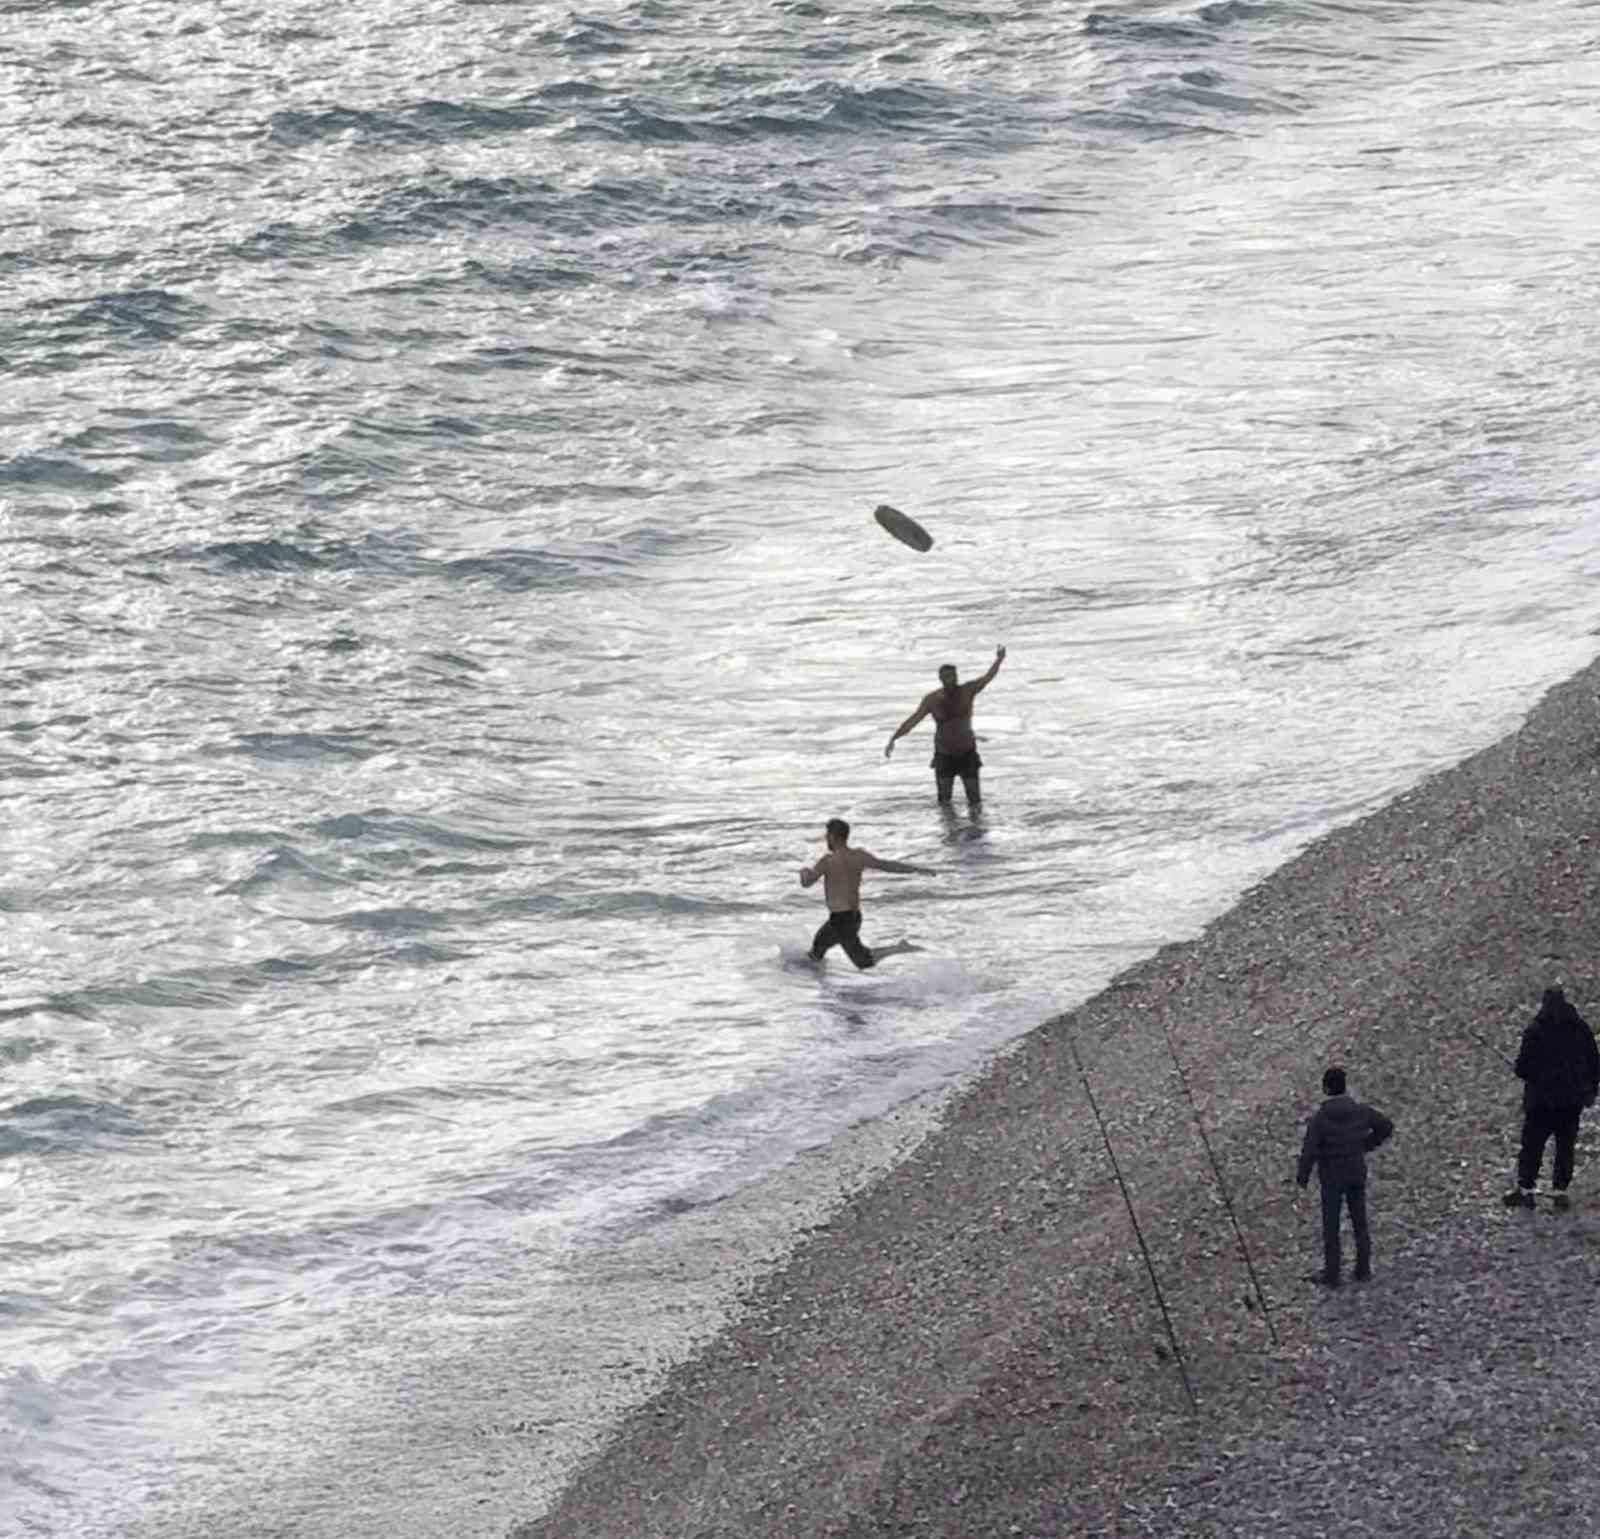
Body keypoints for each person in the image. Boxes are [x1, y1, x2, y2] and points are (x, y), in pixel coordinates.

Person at [1502, 986, 1600, 1210]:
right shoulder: (1581, 1029)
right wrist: (1590, 1091)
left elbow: (1522, 1068)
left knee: (1532, 1146)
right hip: (1571, 1102)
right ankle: (1559, 1191)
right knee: (1565, 1146)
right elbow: (1595, 1064)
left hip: (1541, 1103)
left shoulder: (1536, 1031)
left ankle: (1526, 1189)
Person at [1296, 1065, 1394, 1287]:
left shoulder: (1321, 1118)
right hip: (1356, 1171)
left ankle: (1333, 1274)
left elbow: (1309, 1149)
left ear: (1326, 1088)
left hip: (1331, 1176)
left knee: (1331, 1226)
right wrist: (1365, 1146)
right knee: (1360, 1221)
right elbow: (1386, 1126)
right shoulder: (1360, 1111)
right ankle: (1363, 1269)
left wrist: (1302, 1176)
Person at [798, 818, 936, 969]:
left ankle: (898, 948)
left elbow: (807, 883)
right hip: (853, 917)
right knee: (816, 952)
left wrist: (803, 872)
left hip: (841, 921)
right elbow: (887, 865)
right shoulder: (858, 856)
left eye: (827, 836)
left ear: (832, 837)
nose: (826, 840)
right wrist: (917, 869)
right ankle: (818, 983)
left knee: (863, 962)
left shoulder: (828, 860)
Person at [884, 645, 1006, 807]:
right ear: (941, 679)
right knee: (944, 801)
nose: (951, 679)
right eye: (947, 676)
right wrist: (894, 738)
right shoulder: (932, 700)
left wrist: (999, 659)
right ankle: (949, 831)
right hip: (944, 754)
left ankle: (975, 830)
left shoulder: (967, 691)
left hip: (967, 752)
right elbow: (913, 720)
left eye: (953, 675)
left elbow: (987, 677)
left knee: (975, 801)